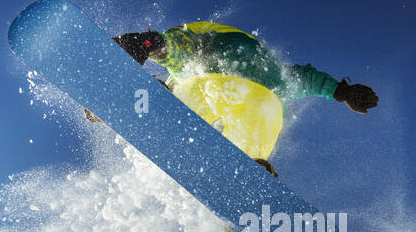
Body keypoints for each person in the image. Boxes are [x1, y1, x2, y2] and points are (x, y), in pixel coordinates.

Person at [110, 22, 377, 174]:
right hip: (260, 93)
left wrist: (153, 45)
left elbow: (184, 49)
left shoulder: (210, 53)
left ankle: (152, 84)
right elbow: (304, 79)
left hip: (217, 71)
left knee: (187, 74)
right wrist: (341, 92)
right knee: (261, 122)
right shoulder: (273, 75)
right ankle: (253, 167)